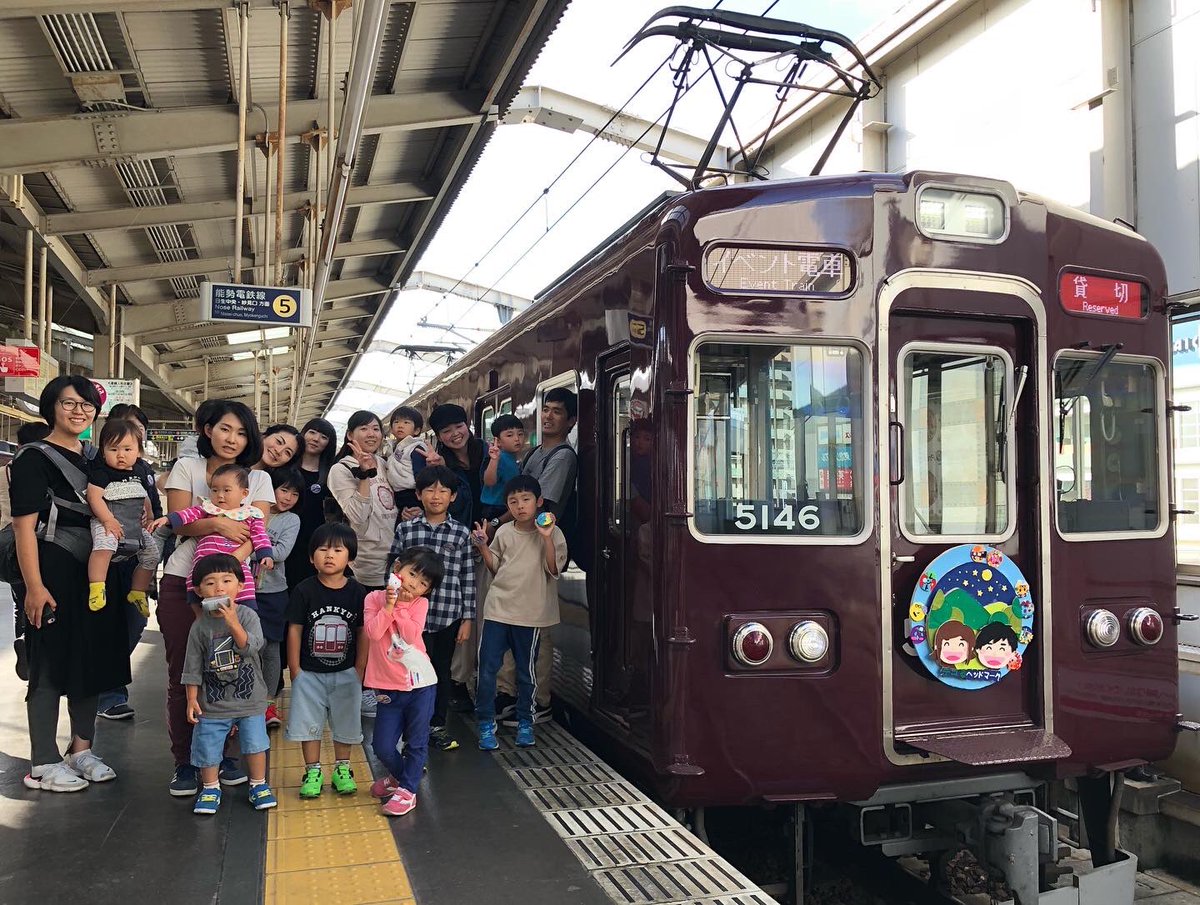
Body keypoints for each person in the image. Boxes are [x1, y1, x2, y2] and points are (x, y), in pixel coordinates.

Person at [13, 375, 128, 792]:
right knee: (49, 660)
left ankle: (81, 749)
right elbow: (24, 527)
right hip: (55, 566)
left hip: (96, 569)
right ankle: (42, 762)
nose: (79, 411)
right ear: (51, 407)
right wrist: (34, 586)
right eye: (69, 403)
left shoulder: (96, 456)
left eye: (87, 405)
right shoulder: (33, 458)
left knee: (90, 657)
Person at [160, 400, 271, 797]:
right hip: (183, 581)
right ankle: (185, 761)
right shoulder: (187, 468)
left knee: (230, 668)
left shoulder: (258, 479)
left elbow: (255, 534)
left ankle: (220, 755)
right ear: (208, 430)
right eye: (225, 429)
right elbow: (180, 525)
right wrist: (219, 523)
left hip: (233, 587)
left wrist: (230, 568)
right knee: (186, 671)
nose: (232, 438)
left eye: (241, 432)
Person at [493, 387, 579, 724]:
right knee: (513, 623)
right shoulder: (534, 453)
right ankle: (510, 693)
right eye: (546, 409)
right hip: (519, 544)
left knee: (537, 630)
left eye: (557, 411)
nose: (548, 416)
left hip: (539, 545)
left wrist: (496, 523)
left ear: (571, 420)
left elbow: (540, 503)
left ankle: (538, 700)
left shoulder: (562, 456)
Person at [471, 475, 567, 751]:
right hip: (498, 608)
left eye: (526, 499)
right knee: (487, 669)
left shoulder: (553, 532)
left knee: (527, 672)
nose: (520, 506)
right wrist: (482, 546)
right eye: (513, 502)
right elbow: (495, 567)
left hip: (531, 613)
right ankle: (486, 723)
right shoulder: (504, 532)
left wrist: (546, 538)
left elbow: (553, 569)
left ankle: (526, 721)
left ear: (539, 502)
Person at [386, 465, 475, 752]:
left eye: (443, 491)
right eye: (429, 490)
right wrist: (391, 604)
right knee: (407, 670)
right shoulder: (406, 529)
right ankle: (410, 726)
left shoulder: (461, 534)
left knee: (440, 671)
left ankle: (436, 725)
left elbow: (467, 577)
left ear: (453, 497)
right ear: (418, 494)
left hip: (446, 615)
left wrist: (467, 618)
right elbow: (392, 568)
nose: (436, 496)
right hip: (408, 617)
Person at [182, 553, 276, 814]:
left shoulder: (247, 616)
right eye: (210, 582)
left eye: (226, 580)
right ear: (199, 591)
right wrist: (191, 698)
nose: (219, 588)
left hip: (250, 699)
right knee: (208, 745)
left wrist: (233, 622)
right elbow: (192, 666)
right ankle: (210, 787)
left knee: (255, 744)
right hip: (212, 702)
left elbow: (252, 647)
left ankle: (259, 784)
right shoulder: (199, 626)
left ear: (241, 586)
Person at [286, 522, 367, 798]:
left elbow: (363, 632)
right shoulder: (303, 590)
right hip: (308, 673)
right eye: (322, 549)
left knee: (346, 722)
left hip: (347, 672)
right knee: (308, 723)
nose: (329, 555)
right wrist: (295, 669)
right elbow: (295, 629)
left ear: (350, 557)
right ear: (311, 557)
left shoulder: (358, 592)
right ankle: (313, 771)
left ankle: (343, 769)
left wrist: (360, 668)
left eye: (337, 550)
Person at [364, 546, 443, 817]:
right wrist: (389, 604)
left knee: (417, 741)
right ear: (397, 568)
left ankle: (408, 791)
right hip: (387, 687)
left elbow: (410, 636)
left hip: (420, 685)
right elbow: (373, 633)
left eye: (423, 584)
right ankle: (401, 777)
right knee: (382, 746)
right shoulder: (373, 598)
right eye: (412, 574)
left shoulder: (420, 604)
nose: (414, 584)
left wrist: (399, 607)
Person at [96, 403, 163, 721]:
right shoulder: (97, 465)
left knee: (135, 623)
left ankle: (106, 681)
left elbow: (155, 511)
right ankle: (109, 694)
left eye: (137, 430)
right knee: (107, 625)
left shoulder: (144, 469)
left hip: (136, 559)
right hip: (107, 558)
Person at [152, 463, 273, 606]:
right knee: (195, 580)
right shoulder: (208, 508)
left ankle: (247, 609)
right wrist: (168, 519)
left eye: (227, 490)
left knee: (244, 582)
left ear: (244, 494)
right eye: (215, 490)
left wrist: (265, 554)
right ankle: (197, 609)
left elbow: (260, 535)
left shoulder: (251, 514)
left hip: (235, 563)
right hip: (204, 560)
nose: (220, 495)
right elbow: (186, 514)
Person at [84, 417, 161, 616]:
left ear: (138, 451)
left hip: (134, 524)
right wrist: (108, 520)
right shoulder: (102, 473)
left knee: (152, 555)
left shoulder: (140, 472)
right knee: (104, 547)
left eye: (127, 449)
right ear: (103, 451)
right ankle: (97, 587)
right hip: (107, 522)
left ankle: (138, 591)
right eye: (113, 449)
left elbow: (145, 497)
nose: (121, 455)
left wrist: (150, 517)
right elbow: (94, 497)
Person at [255, 467, 303, 727]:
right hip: (244, 590)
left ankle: (267, 704)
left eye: (294, 494)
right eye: (284, 490)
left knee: (271, 648)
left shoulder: (291, 520)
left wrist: (245, 547)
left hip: (273, 592)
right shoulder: (251, 509)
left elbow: (281, 553)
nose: (288, 498)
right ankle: (245, 703)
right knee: (247, 647)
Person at [327, 411, 394, 590]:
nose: (371, 434)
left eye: (376, 429)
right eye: (364, 429)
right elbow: (357, 515)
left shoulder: (383, 463)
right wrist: (364, 474)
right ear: (350, 435)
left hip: (396, 556)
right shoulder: (341, 469)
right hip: (367, 562)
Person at [8, 421, 51, 682]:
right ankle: (36, 646)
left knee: (20, 600)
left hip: (7, 548)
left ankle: (24, 639)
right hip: (35, 543)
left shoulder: (5, 471)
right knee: (40, 595)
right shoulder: (42, 470)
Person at [409, 404, 485, 527]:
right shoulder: (438, 463)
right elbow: (447, 505)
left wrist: (495, 523)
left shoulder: (489, 454)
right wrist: (439, 472)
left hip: (501, 530)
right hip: (458, 533)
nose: (455, 433)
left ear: (467, 426)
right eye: (446, 431)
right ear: (439, 437)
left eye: (459, 426)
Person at [288, 418, 337, 590]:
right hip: (285, 538)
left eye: (323, 437)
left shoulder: (331, 473)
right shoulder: (286, 466)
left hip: (316, 542)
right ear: (303, 434)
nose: (316, 439)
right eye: (312, 432)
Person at [383, 405, 429, 512]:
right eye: (396, 422)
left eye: (406, 422)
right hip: (397, 494)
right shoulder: (393, 448)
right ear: (391, 429)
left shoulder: (415, 448)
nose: (400, 426)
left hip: (412, 494)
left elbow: (420, 474)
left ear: (416, 430)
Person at [480, 414, 524, 521]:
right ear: (498, 441)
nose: (517, 439)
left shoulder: (514, 459)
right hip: (495, 508)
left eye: (520, 434)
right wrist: (494, 460)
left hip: (506, 505)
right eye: (510, 435)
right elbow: (489, 481)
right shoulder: (499, 457)